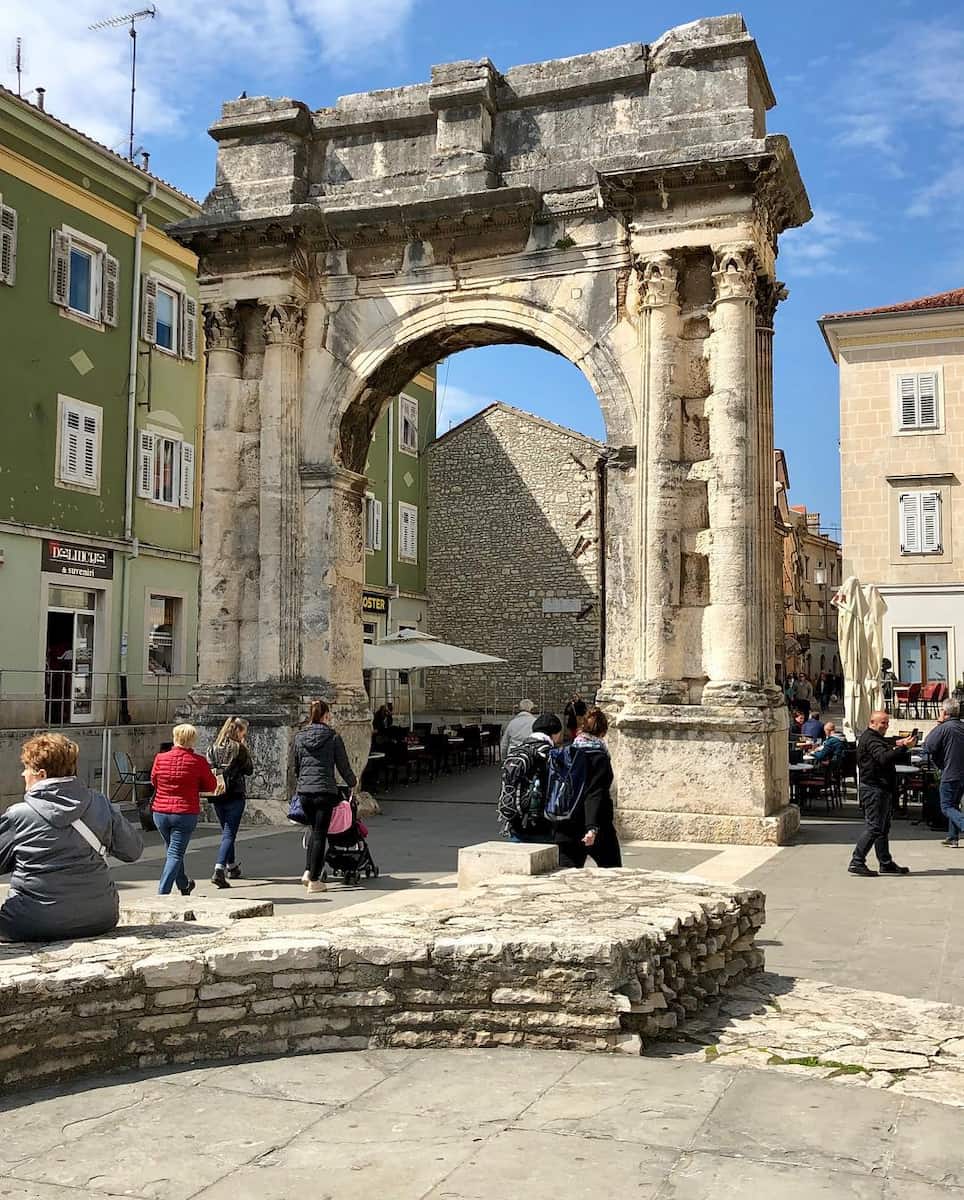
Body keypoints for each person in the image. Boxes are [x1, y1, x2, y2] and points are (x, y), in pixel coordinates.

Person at [0, 733, 143, 942]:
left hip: (31, 921)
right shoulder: (100, 803)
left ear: (41, 774)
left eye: (27, 768)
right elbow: (133, 851)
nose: (23, 774)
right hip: (100, 917)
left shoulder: (19, 815)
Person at [292, 699, 357, 894]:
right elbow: (342, 765)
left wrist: (302, 780)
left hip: (305, 791)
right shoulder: (332, 737)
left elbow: (296, 765)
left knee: (313, 830)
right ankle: (314, 879)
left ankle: (307, 870)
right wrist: (352, 782)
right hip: (324, 791)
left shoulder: (299, 737)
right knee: (321, 834)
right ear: (326, 715)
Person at [550, 707, 621, 869]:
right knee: (613, 872)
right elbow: (595, 793)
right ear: (603, 733)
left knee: (565, 877)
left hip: (566, 826)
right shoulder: (599, 757)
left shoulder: (564, 753)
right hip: (597, 827)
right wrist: (592, 828)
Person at [151, 724, 217, 896]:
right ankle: (162, 894)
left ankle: (183, 884)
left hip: (160, 811)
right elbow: (211, 785)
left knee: (172, 849)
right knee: (175, 853)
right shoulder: (198, 761)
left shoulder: (160, 758)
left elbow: (154, 781)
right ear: (192, 740)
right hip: (184, 812)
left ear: (175, 738)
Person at [849, 711, 916, 877]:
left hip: (880, 788)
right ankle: (857, 861)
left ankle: (885, 863)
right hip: (874, 789)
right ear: (872, 722)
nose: (886, 726)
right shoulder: (871, 739)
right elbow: (883, 757)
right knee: (874, 827)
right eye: (882, 723)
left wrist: (898, 741)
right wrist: (903, 748)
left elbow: (885, 742)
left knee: (883, 828)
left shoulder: (874, 737)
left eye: (887, 723)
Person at [497, 713, 563, 843]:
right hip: (541, 824)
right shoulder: (551, 755)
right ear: (554, 734)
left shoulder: (518, 751)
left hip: (515, 821)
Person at [206, 716, 254, 888]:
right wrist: (245, 749)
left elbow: (209, 768)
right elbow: (249, 770)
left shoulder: (212, 748)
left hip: (218, 794)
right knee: (229, 833)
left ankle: (231, 866)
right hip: (235, 794)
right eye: (244, 732)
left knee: (226, 830)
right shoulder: (239, 749)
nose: (245, 735)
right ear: (239, 731)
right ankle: (219, 869)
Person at [923, 698, 964, 847]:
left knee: (946, 806)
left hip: (951, 772)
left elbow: (927, 746)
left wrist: (939, 724)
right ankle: (952, 837)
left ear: (945, 712)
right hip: (961, 773)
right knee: (953, 804)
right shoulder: (961, 726)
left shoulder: (944, 727)